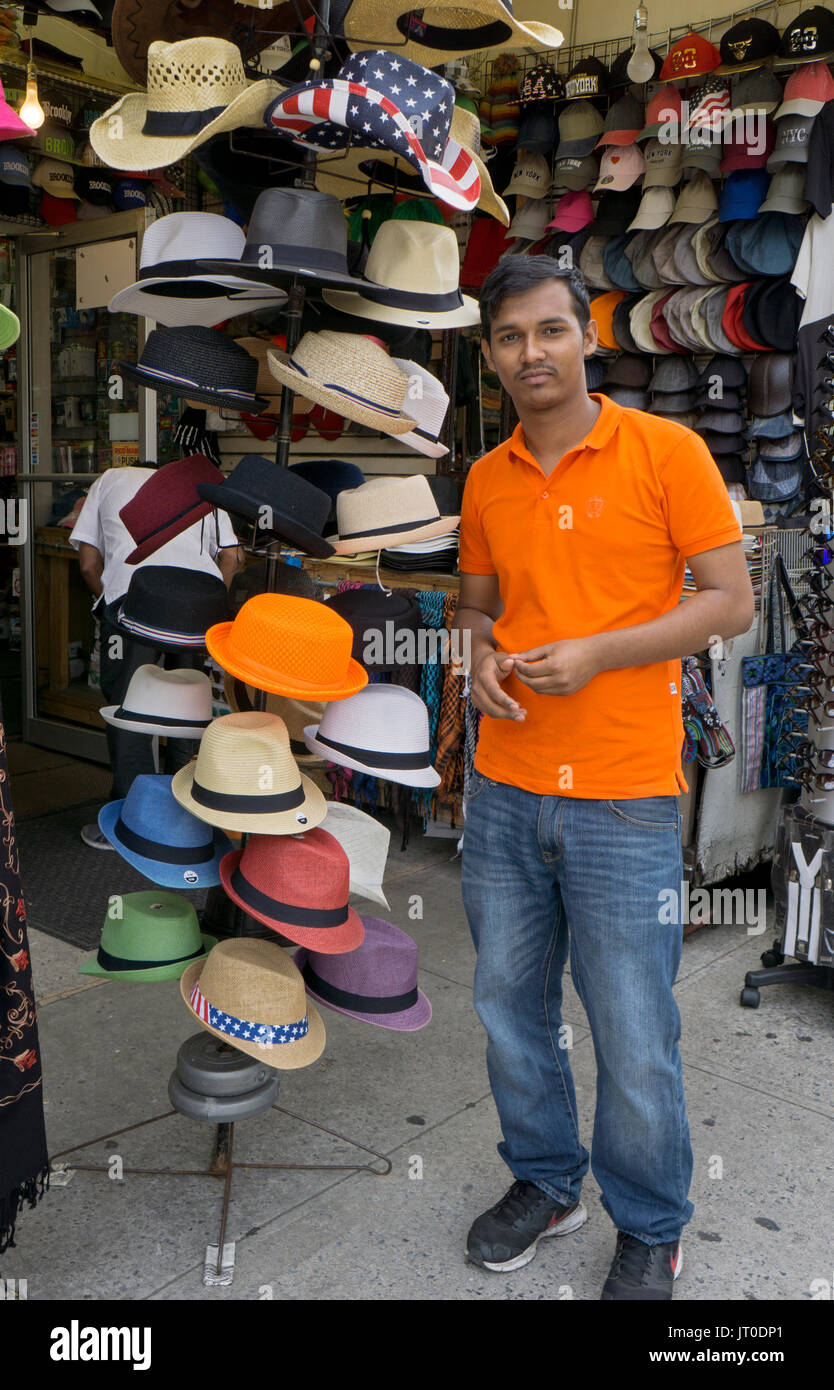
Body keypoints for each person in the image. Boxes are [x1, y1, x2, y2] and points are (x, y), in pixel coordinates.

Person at [453, 257, 754, 1301]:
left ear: (588, 338)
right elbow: (476, 606)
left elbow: (729, 602)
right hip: (503, 786)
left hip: (623, 791)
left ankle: (653, 1223)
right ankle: (544, 1181)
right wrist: (479, 658)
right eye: (508, 337)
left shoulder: (664, 450)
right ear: (490, 354)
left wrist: (602, 653)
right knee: (506, 1005)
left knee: (632, 1022)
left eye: (548, 331)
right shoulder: (488, 476)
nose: (530, 352)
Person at [70, 460, 244, 848]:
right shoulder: (201, 485)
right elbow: (232, 558)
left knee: (129, 710)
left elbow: (87, 564)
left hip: (135, 604)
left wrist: (106, 601)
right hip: (196, 609)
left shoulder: (110, 479)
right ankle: (184, 821)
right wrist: (213, 603)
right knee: (188, 709)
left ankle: (135, 823)